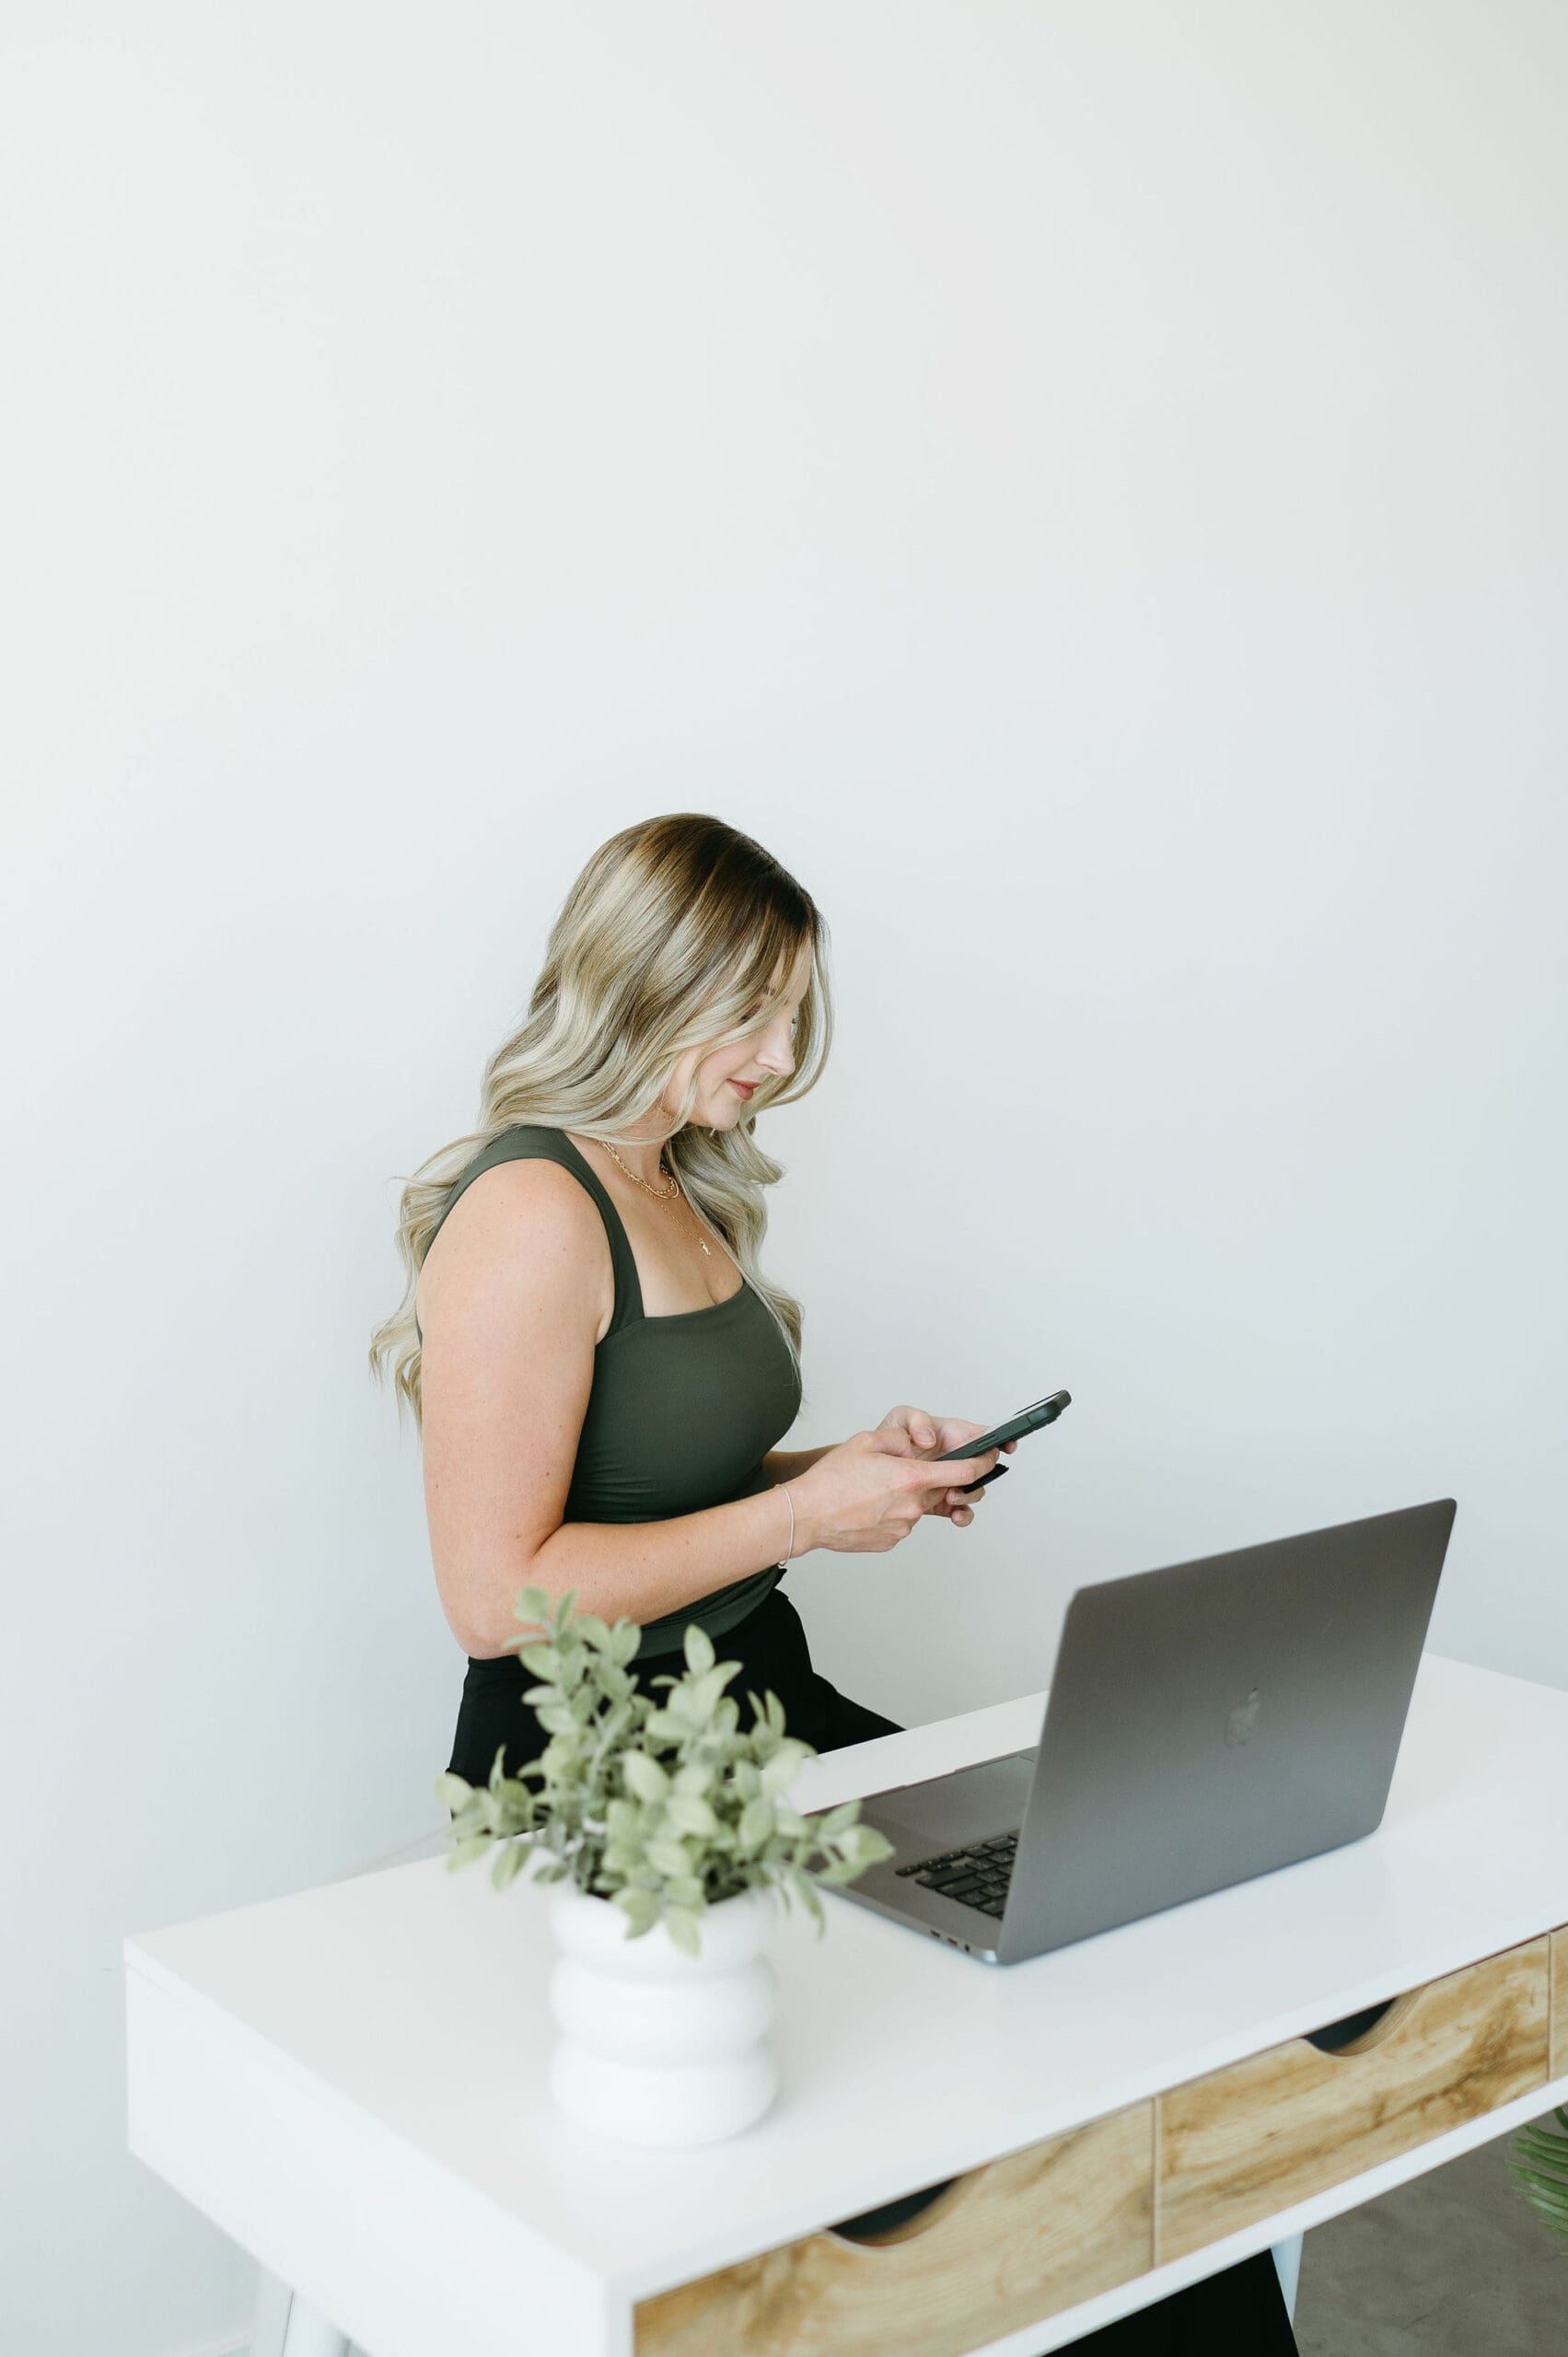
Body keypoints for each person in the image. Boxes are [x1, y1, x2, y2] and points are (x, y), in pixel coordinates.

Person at [369, 810, 1297, 2354]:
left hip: (760, 1696)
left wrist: (848, 1473)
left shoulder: (674, 1178)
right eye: (753, 1010)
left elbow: (681, 1492)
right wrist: (807, 1523)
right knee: (923, 2100)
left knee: (1063, 1995)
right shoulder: (532, 1210)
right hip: (603, 1766)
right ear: (639, 988)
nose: (782, 1053)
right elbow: (497, 1596)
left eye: (797, 1010)